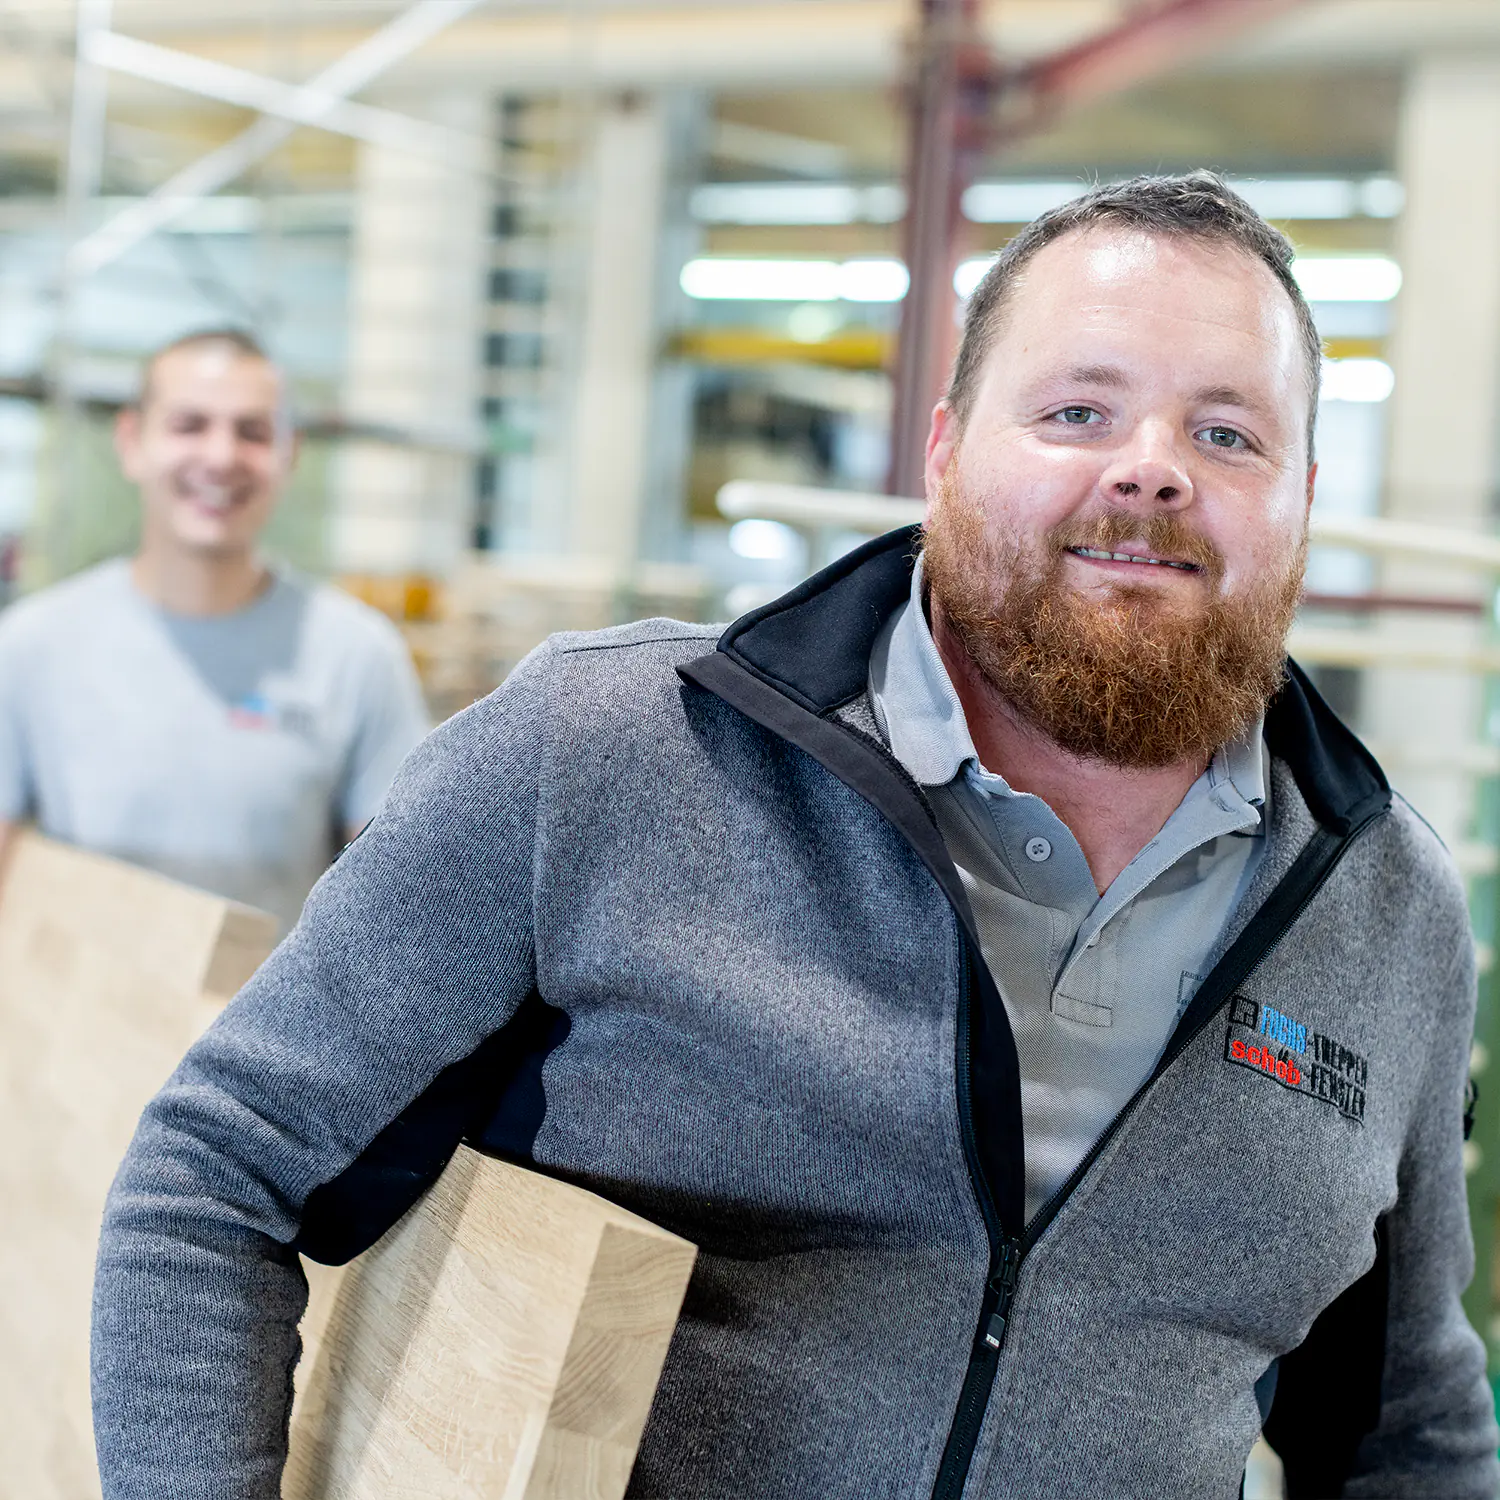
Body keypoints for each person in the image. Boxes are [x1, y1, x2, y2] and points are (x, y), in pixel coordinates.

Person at [92, 176, 1498, 1498]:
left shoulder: (1391, 913)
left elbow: (1405, 1419)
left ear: (1306, 499)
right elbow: (219, 1173)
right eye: (1077, 411)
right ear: (943, 453)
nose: (1152, 473)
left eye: (1227, 434)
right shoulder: (608, 752)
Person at [0, 329, 428, 934]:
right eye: (189, 425)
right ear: (132, 442)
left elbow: (399, 904)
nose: (221, 457)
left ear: (290, 454)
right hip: (79, 1019)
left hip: (278, 1026)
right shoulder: (30, 646)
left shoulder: (358, 656)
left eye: (253, 433)